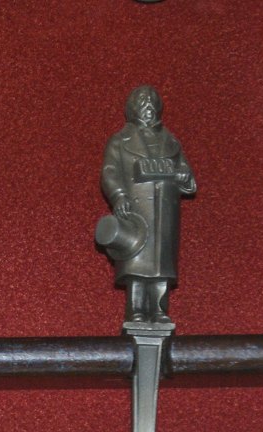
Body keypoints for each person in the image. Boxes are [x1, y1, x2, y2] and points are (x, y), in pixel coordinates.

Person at [96, 86, 196, 327]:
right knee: (137, 262)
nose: (148, 105)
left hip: (165, 212)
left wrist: (184, 176)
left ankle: (160, 309)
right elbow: (110, 173)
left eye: (152, 101)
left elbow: (187, 177)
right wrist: (119, 196)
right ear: (132, 108)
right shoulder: (120, 141)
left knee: (162, 264)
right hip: (138, 212)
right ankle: (137, 310)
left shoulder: (171, 141)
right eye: (142, 101)